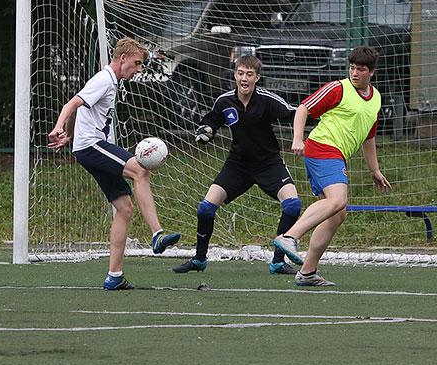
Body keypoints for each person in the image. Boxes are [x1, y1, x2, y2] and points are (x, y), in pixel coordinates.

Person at [47, 37, 180, 290]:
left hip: (88, 146)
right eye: (137, 63)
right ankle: (157, 234)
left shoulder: (112, 82)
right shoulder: (104, 79)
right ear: (122, 59)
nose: (139, 69)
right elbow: (72, 103)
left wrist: (70, 136)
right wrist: (58, 127)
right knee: (140, 170)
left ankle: (114, 276)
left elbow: (84, 109)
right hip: (92, 146)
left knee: (125, 208)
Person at [273, 45, 392, 287]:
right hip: (322, 147)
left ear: (371, 72)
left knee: (337, 214)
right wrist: (297, 138)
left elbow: (369, 136)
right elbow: (303, 108)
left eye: (360, 69)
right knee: (338, 200)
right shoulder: (338, 88)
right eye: (352, 68)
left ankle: (307, 272)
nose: (354, 73)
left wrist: (375, 170)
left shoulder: (376, 98)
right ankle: (290, 236)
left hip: (336, 155)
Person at [172, 55, 302, 275]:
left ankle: (278, 262)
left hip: (269, 163)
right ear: (235, 75)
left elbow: (295, 113)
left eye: (249, 74)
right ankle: (199, 259)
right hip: (238, 165)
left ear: (257, 78)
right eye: (240, 73)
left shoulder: (267, 100)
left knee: (292, 206)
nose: (244, 78)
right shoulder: (224, 101)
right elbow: (211, 121)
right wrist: (206, 131)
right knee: (205, 209)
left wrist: (319, 117)